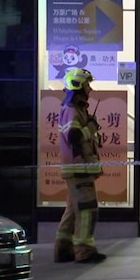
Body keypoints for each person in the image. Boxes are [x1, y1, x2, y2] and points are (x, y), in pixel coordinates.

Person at [54, 68, 107, 264]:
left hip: (78, 169)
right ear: (78, 85)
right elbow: (73, 137)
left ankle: (63, 249)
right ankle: (84, 251)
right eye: (87, 84)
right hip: (78, 169)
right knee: (87, 209)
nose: (90, 88)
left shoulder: (75, 108)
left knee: (72, 210)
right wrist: (92, 127)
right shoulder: (71, 109)